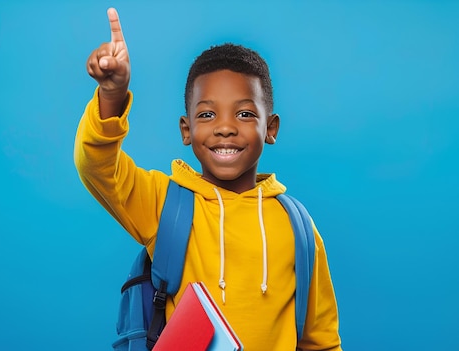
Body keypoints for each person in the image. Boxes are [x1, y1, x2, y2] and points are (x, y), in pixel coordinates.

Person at [74, 7, 342, 351]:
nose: (225, 127)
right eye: (207, 114)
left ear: (270, 128)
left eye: (244, 113)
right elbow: (95, 165)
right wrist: (112, 97)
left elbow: (321, 341)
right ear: (187, 130)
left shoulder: (298, 227)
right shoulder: (163, 204)